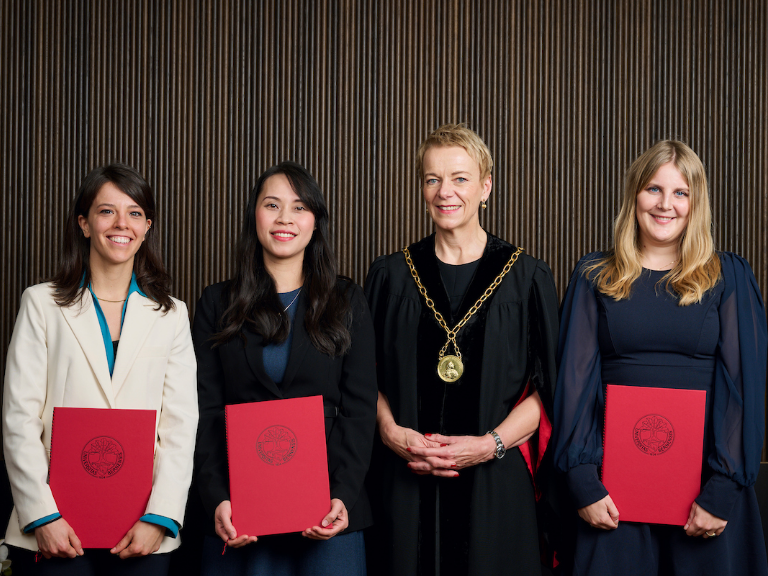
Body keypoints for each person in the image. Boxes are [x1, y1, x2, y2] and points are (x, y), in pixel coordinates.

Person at [552, 140, 768, 575]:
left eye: (680, 193)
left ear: (696, 202)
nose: (665, 204)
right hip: (612, 496)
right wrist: (583, 483)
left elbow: (745, 384)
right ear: (634, 195)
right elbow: (574, 384)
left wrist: (722, 490)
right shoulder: (595, 275)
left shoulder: (728, 276)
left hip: (706, 497)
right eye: (653, 189)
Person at [364, 124, 559, 575]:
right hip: (405, 483)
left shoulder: (526, 278)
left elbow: (546, 391)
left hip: (495, 486)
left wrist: (488, 446)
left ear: (485, 185)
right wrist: (394, 435)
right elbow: (362, 380)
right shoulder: (391, 276)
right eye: (432, 179)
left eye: (459, 178)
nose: (444, 192)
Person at [2, 164, 199, 575]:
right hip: (56, 529)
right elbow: (19, 419)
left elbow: (180, 427)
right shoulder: (41, 305)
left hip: (142, 529)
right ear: (85, 224)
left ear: (147, 226)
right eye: (106, 211)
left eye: (134, 213)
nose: (121, 224)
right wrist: (43, 516)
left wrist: (158, 519)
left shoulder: (172, 314)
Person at [193, 161, 377, 575]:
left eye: (298, 208)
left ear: (315, 221)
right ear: (253, 216)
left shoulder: (347, 301)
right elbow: (202, 412)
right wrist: (218, 497)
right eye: (272, 205)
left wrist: (342, 496)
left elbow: (360, 410)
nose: (284, 219)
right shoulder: (216, 304)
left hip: (328, 513)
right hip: (238, 516)